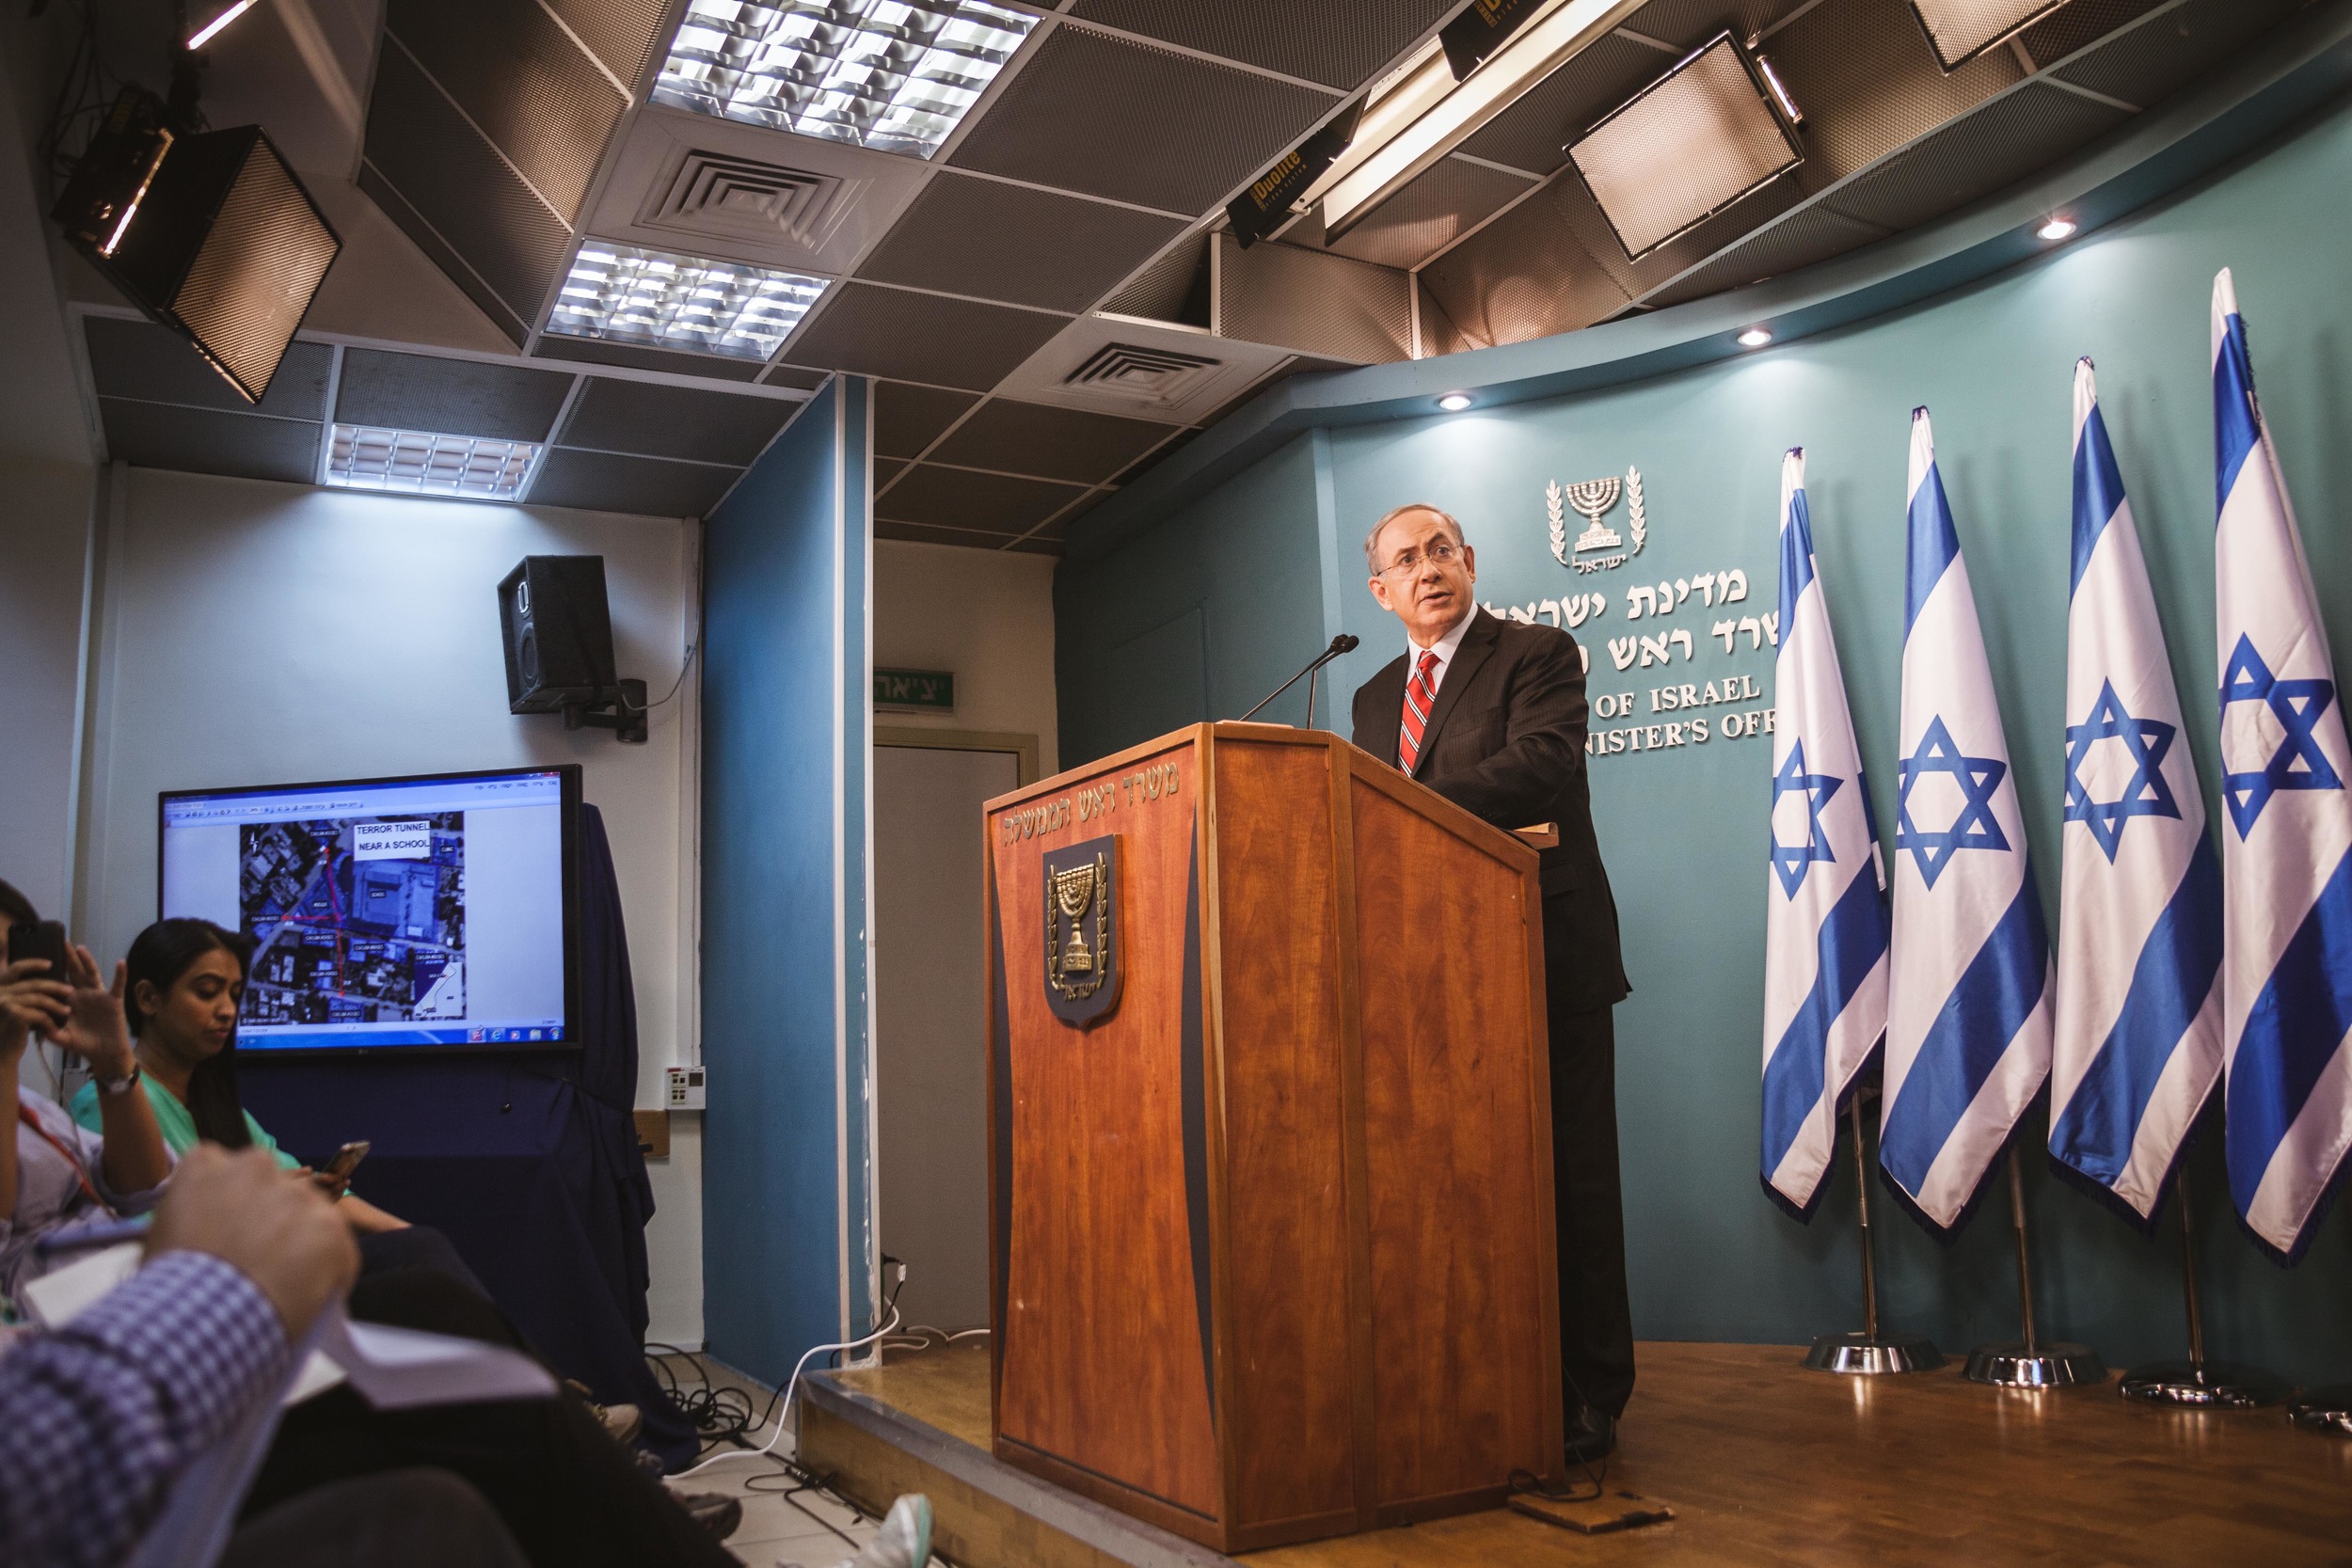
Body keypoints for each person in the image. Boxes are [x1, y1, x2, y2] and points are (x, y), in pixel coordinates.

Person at [1349, 502, 1633, 1463]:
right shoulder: (1371, 694)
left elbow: (1543, 764)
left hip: (1546, 952)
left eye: (1440, 550)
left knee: (1571, 1177)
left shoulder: (1536, 653)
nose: (1426, 568)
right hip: (1431, 979)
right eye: (1405, 560)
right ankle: (1484, 1371)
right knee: (1464, 1183)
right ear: (1381, 590)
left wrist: (1397, 799)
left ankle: (1592, 1390)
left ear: (1468, 561)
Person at [1, 1136, 531, 1568]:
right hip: (114, 1317)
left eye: (233, 997)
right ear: (151, 1002)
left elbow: (144, 1191)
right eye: (207, 996)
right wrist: (228, 1288)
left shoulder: (70, 1110)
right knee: (433, 1498)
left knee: (439, 1485)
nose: (226, 1013)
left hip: (130, 1308)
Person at [0, 882, 173, 1301]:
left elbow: (144, 1186)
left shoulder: (30, 1105)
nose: (9, 975)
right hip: (64, 1326)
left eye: (14, 956)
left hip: (136, 1285)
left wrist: (113, 1062)